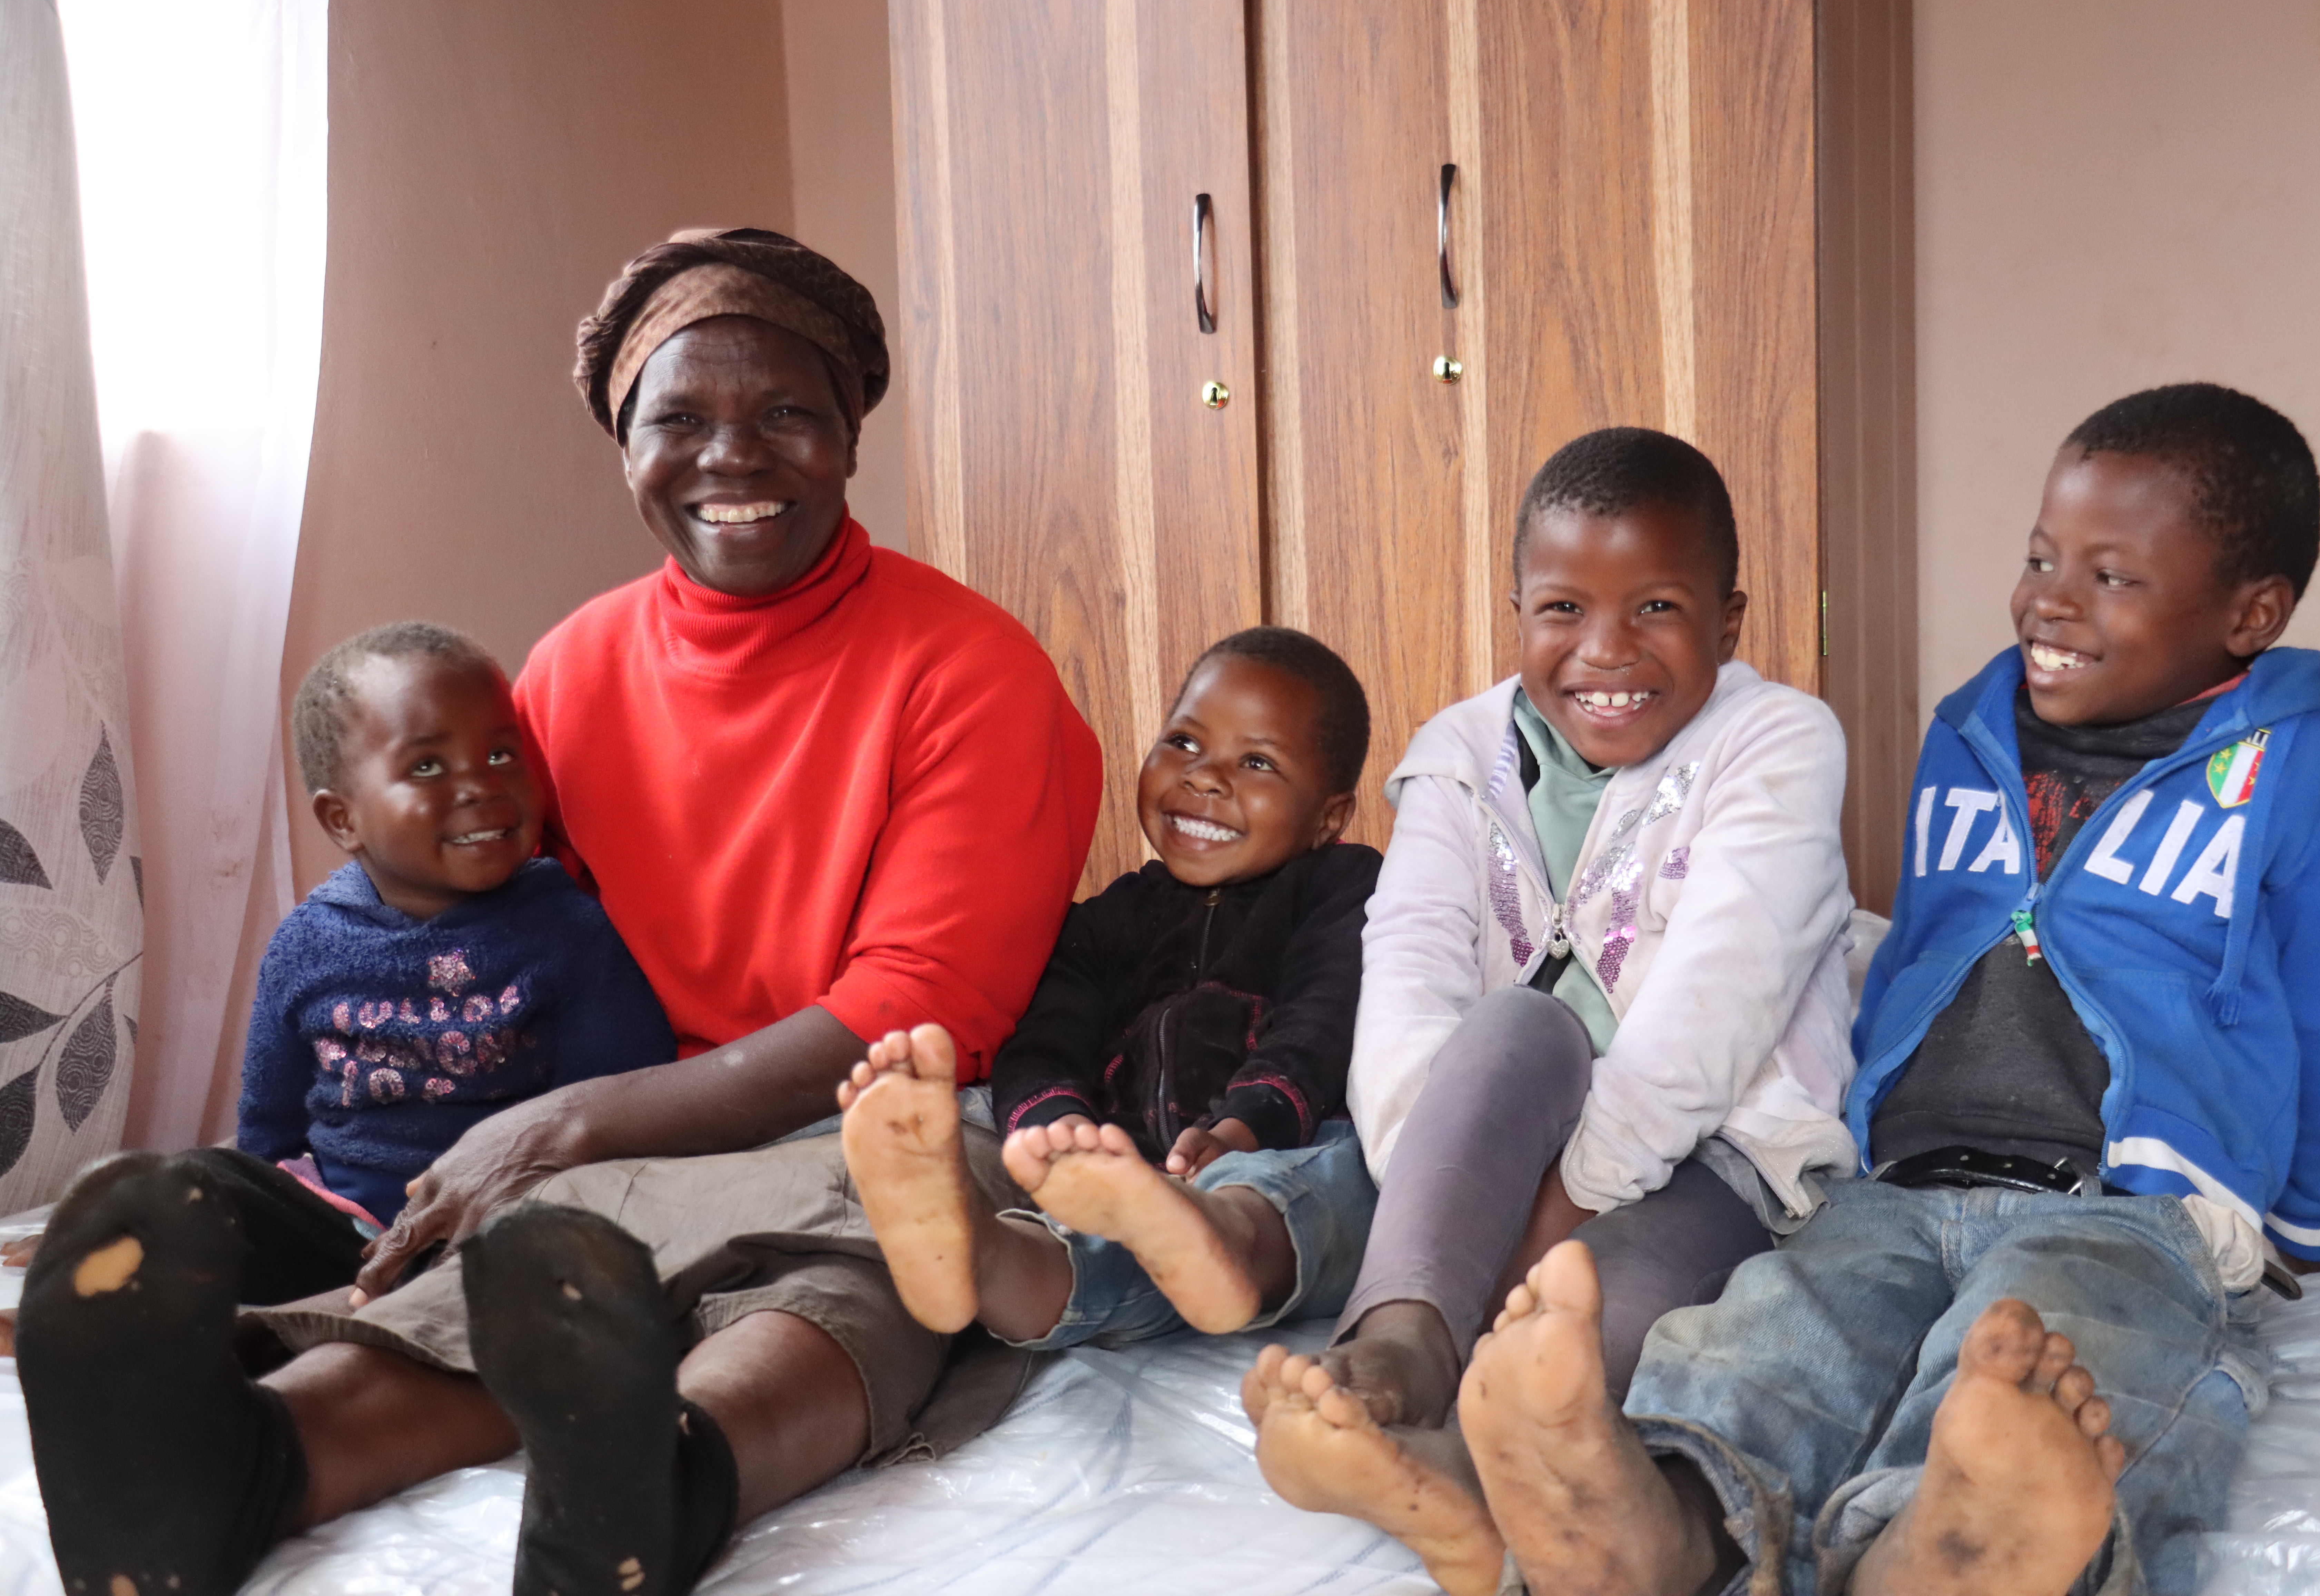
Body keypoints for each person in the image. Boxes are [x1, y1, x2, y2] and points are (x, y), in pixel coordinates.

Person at [16, 227, 1103, 1596]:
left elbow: (917, 1003)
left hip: (875, 1108)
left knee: (848, 1272)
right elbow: (509, 910)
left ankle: (669, 1471)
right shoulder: (577, 665)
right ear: (626, 446)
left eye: (787, 415)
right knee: (519, 1285)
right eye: (682, 419)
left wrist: (560, 1121)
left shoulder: (973, 669)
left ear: (849, 436)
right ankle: (238, 1464)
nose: (735, 456)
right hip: (630, 1114)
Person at [1444, 383, 2320, 1596]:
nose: (2050, 598)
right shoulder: (1971, 724)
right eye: (2043, 557)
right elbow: (1913, 951)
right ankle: (1657, 1520)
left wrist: (2312, 1224)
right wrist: (1841, 1132)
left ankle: (1949, 1544)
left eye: (2111, 577)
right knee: (1775, 1338)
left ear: (2249, 614)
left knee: (2063, 1353)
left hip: (2126, 1202)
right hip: (1900, 1184)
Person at [1246, 428, 1858, 1594]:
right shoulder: (1457, 753)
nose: (1607, 650)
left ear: (1730, 623)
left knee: (1594, 1328)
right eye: (1565, 607)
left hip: (1709, 1155)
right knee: (1522, 1028)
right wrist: (1437, 1205)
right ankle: (1404, 1350)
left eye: (1660, 608)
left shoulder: (1781, 741)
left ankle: (1463, 1486)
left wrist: (1559, 1218)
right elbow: (1410, 972)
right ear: (1519, 608)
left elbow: (1721, 998)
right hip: (1493, 1131)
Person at [841, 626, 1381, 1352]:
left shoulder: (1344, 888)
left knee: (1332, 1180)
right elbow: (1044, 1038)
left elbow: (1323, 1020)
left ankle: (1215, 1240)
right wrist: (1061, 1132)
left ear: (1330, 818)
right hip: (1127, 1170)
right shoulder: (1108, 920)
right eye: (1185, 742)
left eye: (1256, 762)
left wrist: (1242, 1129)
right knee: (1084, 1225)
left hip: (1281, 1144)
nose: (1205, 777)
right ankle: (981, 1253)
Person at [207, 621, 678, 1302]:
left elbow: (621, 1101)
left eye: (502, 756)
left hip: (501, 1225)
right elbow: (268, 1129)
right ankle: (118, 1285)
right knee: (202, 1186)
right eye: (428, 766)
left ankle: (347, 1326)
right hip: (341, 1225)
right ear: (344, 820)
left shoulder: (567, 927)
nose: (480, 786)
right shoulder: (306, 944)